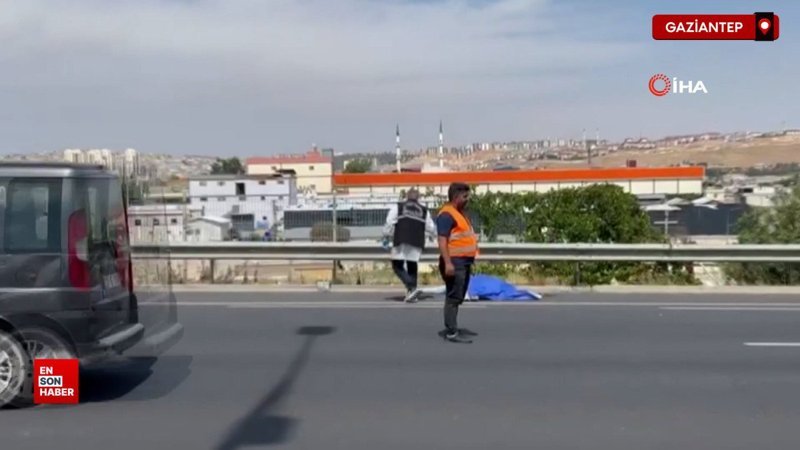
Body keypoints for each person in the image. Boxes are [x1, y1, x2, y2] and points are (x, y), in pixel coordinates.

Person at [436, 182, 478, 343]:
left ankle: (452, 327)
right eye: (465, 197)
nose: (468, 200)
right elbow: (442, 240)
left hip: (463, 262)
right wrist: (448, 263)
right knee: (453, 297)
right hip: (454, 261)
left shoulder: (459, 213)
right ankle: (451, 331)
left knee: (458, 296)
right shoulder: (447, 215)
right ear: (456, 197)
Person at [382, 188, 436, 302]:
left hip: (401, 239)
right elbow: (431, 228)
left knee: (397, 266)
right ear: (418, 198)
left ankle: (411, 286)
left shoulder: (399, 207)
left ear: (407, 196)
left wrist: (386, 235)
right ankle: (412, 292)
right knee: (412, 265)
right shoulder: (424, 210)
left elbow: (389, 221)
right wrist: (436, 236)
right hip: (417, 241)